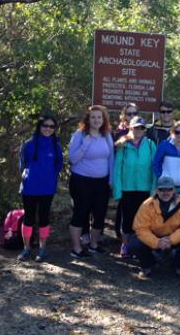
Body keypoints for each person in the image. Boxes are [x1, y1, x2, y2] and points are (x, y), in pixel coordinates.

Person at [67, 105, 114, 258]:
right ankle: (77, 248)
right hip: (81, 181)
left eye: (99, 117)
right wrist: (85, 144)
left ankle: (93, 245)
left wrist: (111, 179)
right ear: (87, 119)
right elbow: (72, 159)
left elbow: (111, 158)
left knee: (100, 214)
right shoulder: (79, 134)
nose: (96, 120)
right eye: (93, 117)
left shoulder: (106, 134)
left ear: (103, 119)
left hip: (102, 182)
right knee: (80, 213)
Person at [130, 176, 180, 279]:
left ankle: (179, 265)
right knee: (135, 242)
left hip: (175, 236)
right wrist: (156, 242)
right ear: (156, 190)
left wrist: (171, 240)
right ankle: (148, 264)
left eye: (169, 189)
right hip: (154, 237)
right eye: (162, 189)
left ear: (174, 190)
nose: (165, 192)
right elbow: (140, 228)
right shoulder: (147, 205)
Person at [17, 114, 64, 262]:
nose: (48, 129)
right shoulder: (28, 144)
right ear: (39, 127)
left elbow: (59, 165)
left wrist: (49, 177)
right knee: (28, 218)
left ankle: (42, 249)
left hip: (47, 188)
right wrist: (27, 176)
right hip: (29, 187)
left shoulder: (56, 146)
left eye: (51, 126)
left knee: (44, 218)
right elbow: (22, 164)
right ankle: (26, 249)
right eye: (45, 126)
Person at [112, 116, 157, 258]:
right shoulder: (123, 146)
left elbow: (155, 170)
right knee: (127, 219)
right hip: (127, 188)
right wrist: (117, 190)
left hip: (145, 189)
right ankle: (125, 245)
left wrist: (153, 189)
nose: (138, 130)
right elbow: (117, 169)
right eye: (135, 127)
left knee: (144, 220)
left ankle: (141, 245)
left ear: (144, 130)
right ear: (130, 128)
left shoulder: (150, 145)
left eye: (141, 128)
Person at [111, 102, 139, 243]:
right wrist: (126, 137)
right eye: (129, 114)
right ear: (123, 115)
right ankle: (121, 235)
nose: (132, 116)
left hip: (138, 177)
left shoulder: (141, 130)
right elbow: (115, 147)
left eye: (135, 113)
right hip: (122, 174)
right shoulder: (119, 132)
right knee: (123, 206)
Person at [153, 121, 180, 203]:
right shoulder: (164, 144)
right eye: (177, 132)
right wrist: (162, 177)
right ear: (172, 132)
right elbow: (156, 163)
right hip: (166, 188)